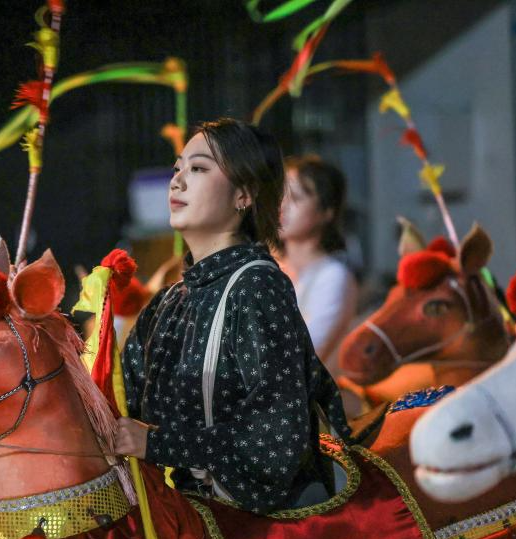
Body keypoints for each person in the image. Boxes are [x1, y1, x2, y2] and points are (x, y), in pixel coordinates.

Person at [113, 118, 350, 514]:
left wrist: (156, 443)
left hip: (257, 527)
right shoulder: (169, 301)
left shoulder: (257, 287)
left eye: (198, 168)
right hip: (187, 516)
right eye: (177, 168)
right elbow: (117, 402)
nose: (177, 182)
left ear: (244, 194)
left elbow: (277, 438)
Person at [278, 155, 358, 372]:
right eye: (280, 195)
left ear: (326, 212)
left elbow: (303, 354)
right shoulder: (269, 267)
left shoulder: (333, 276)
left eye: (295, 197)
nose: (282, 205)